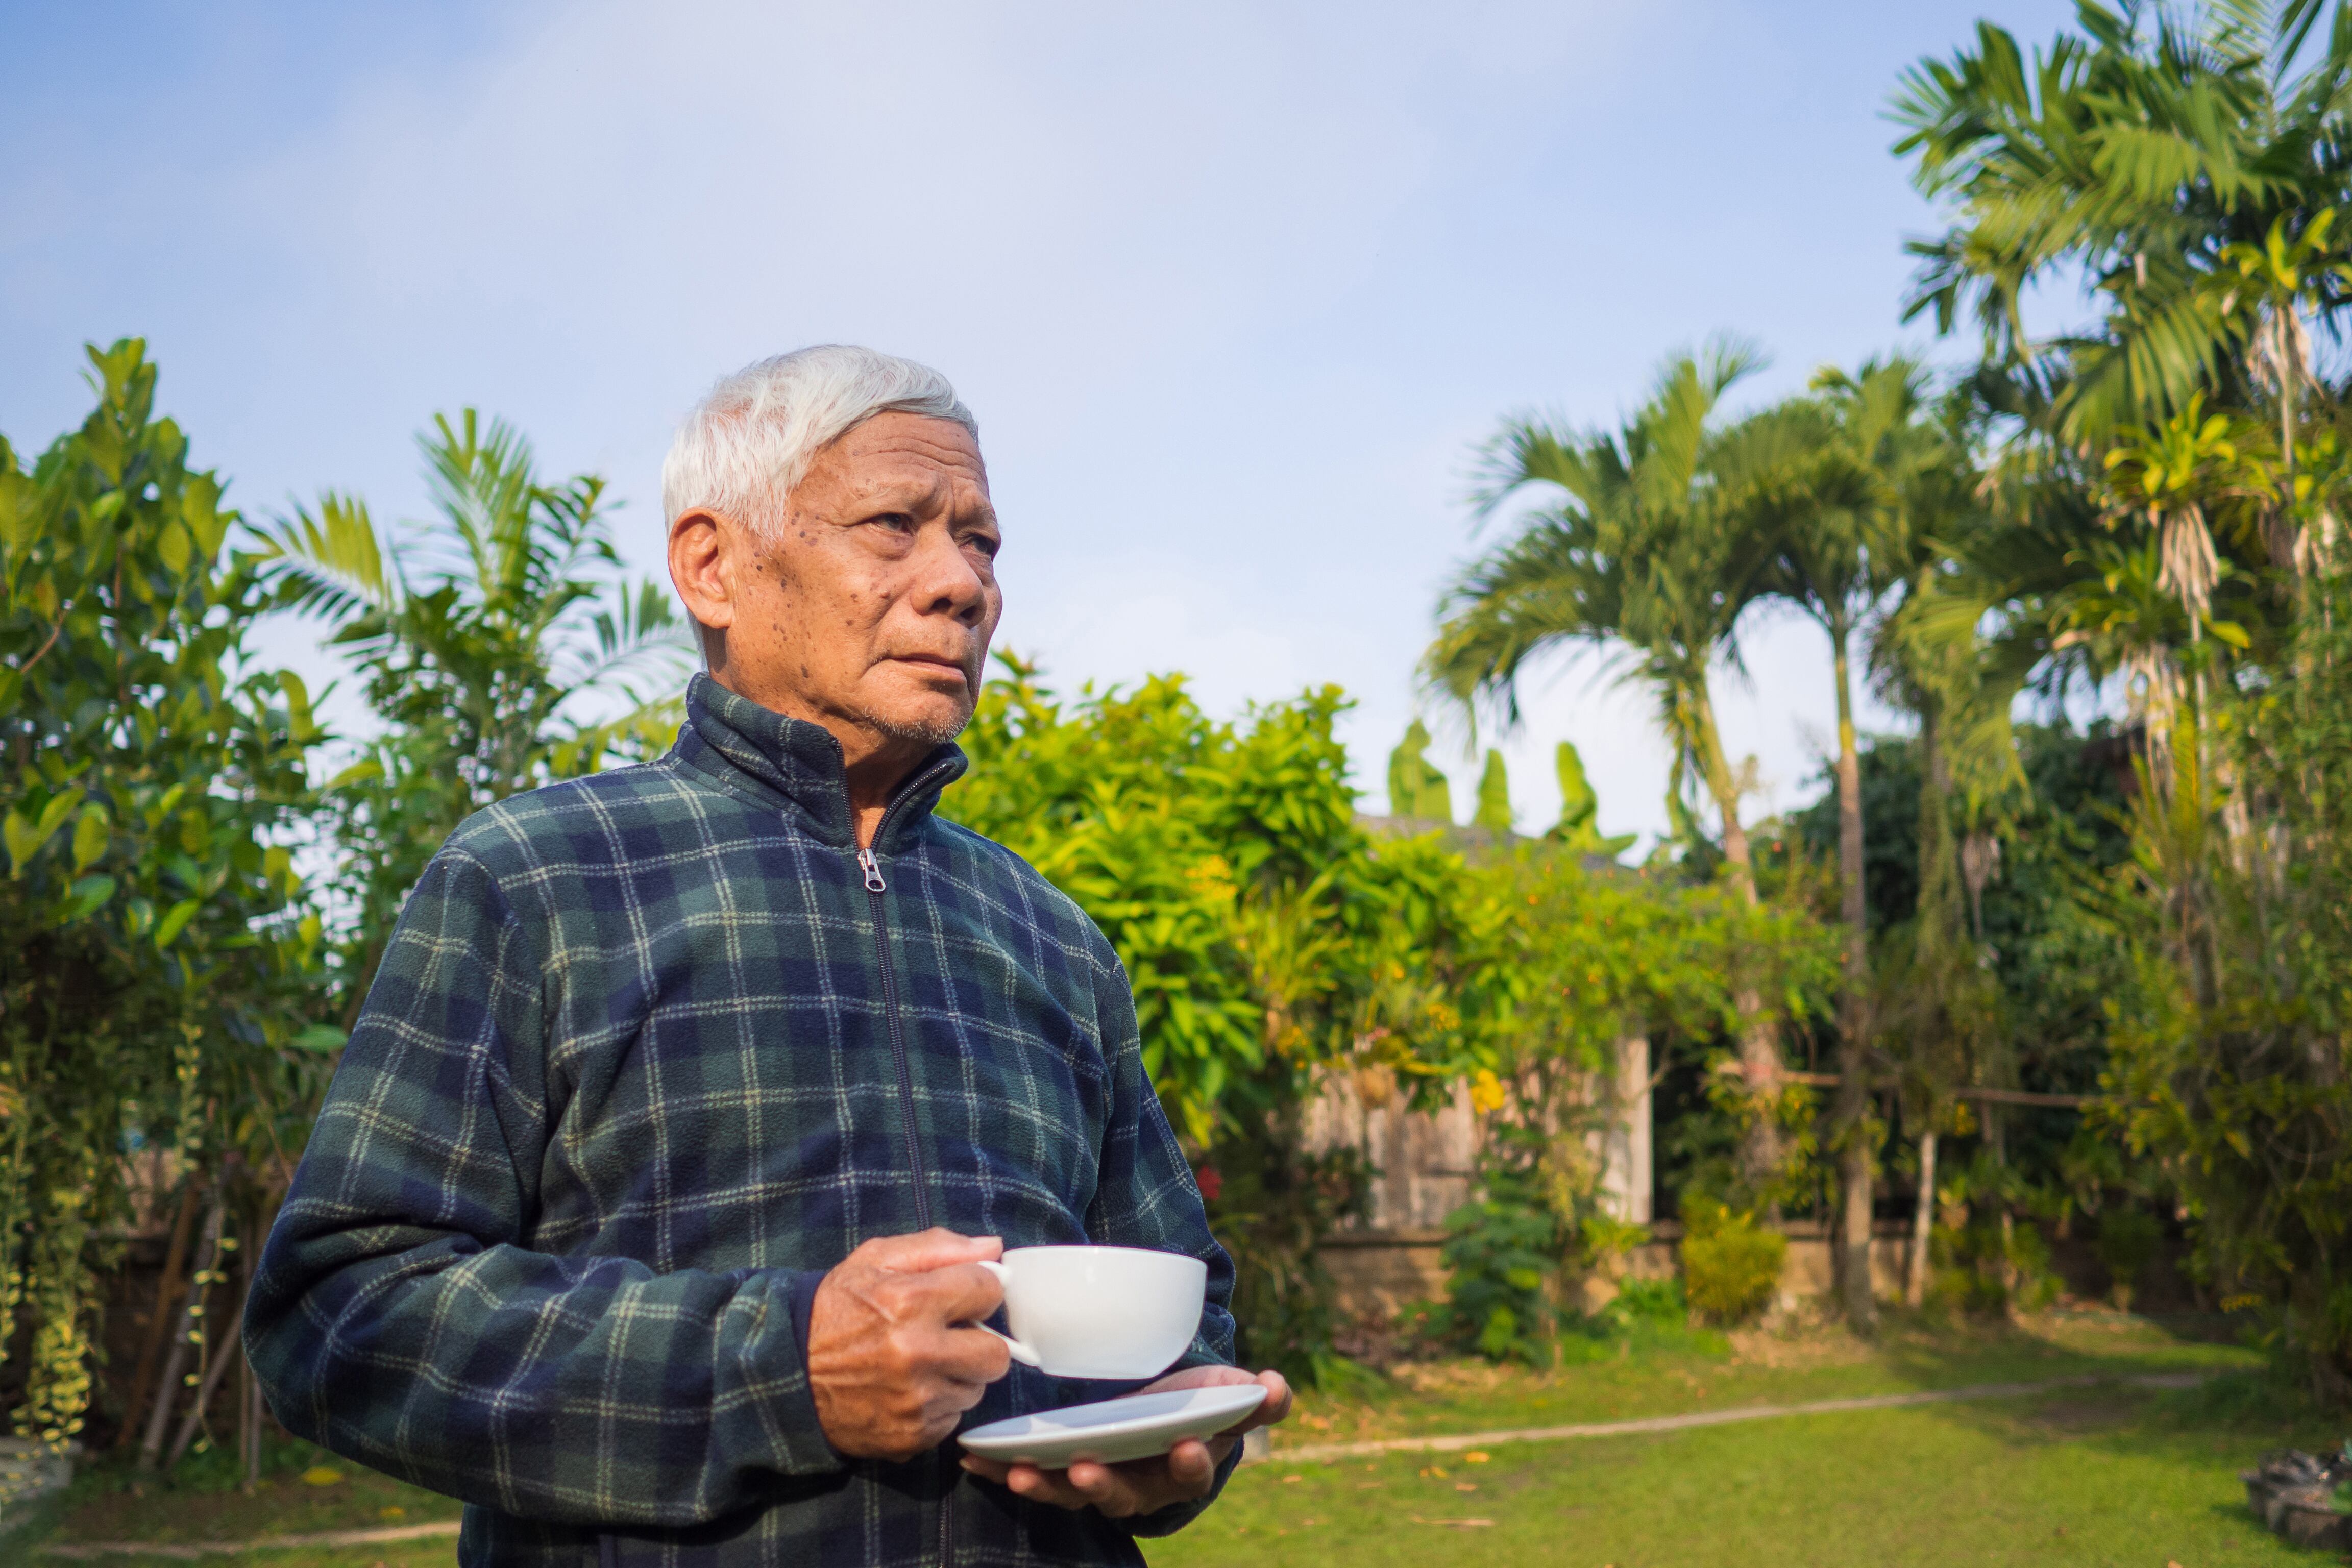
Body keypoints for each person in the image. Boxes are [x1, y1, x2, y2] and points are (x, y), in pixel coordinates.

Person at [246, 345, 1291, 1566]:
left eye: (984, 543)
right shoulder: (538, 878)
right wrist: (781, 1369)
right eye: (894, 524)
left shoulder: (1049, 933)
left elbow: (1177, 1285)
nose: (961, 584)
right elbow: (342, 1310)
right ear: (714, 566)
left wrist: (1169, 1443)